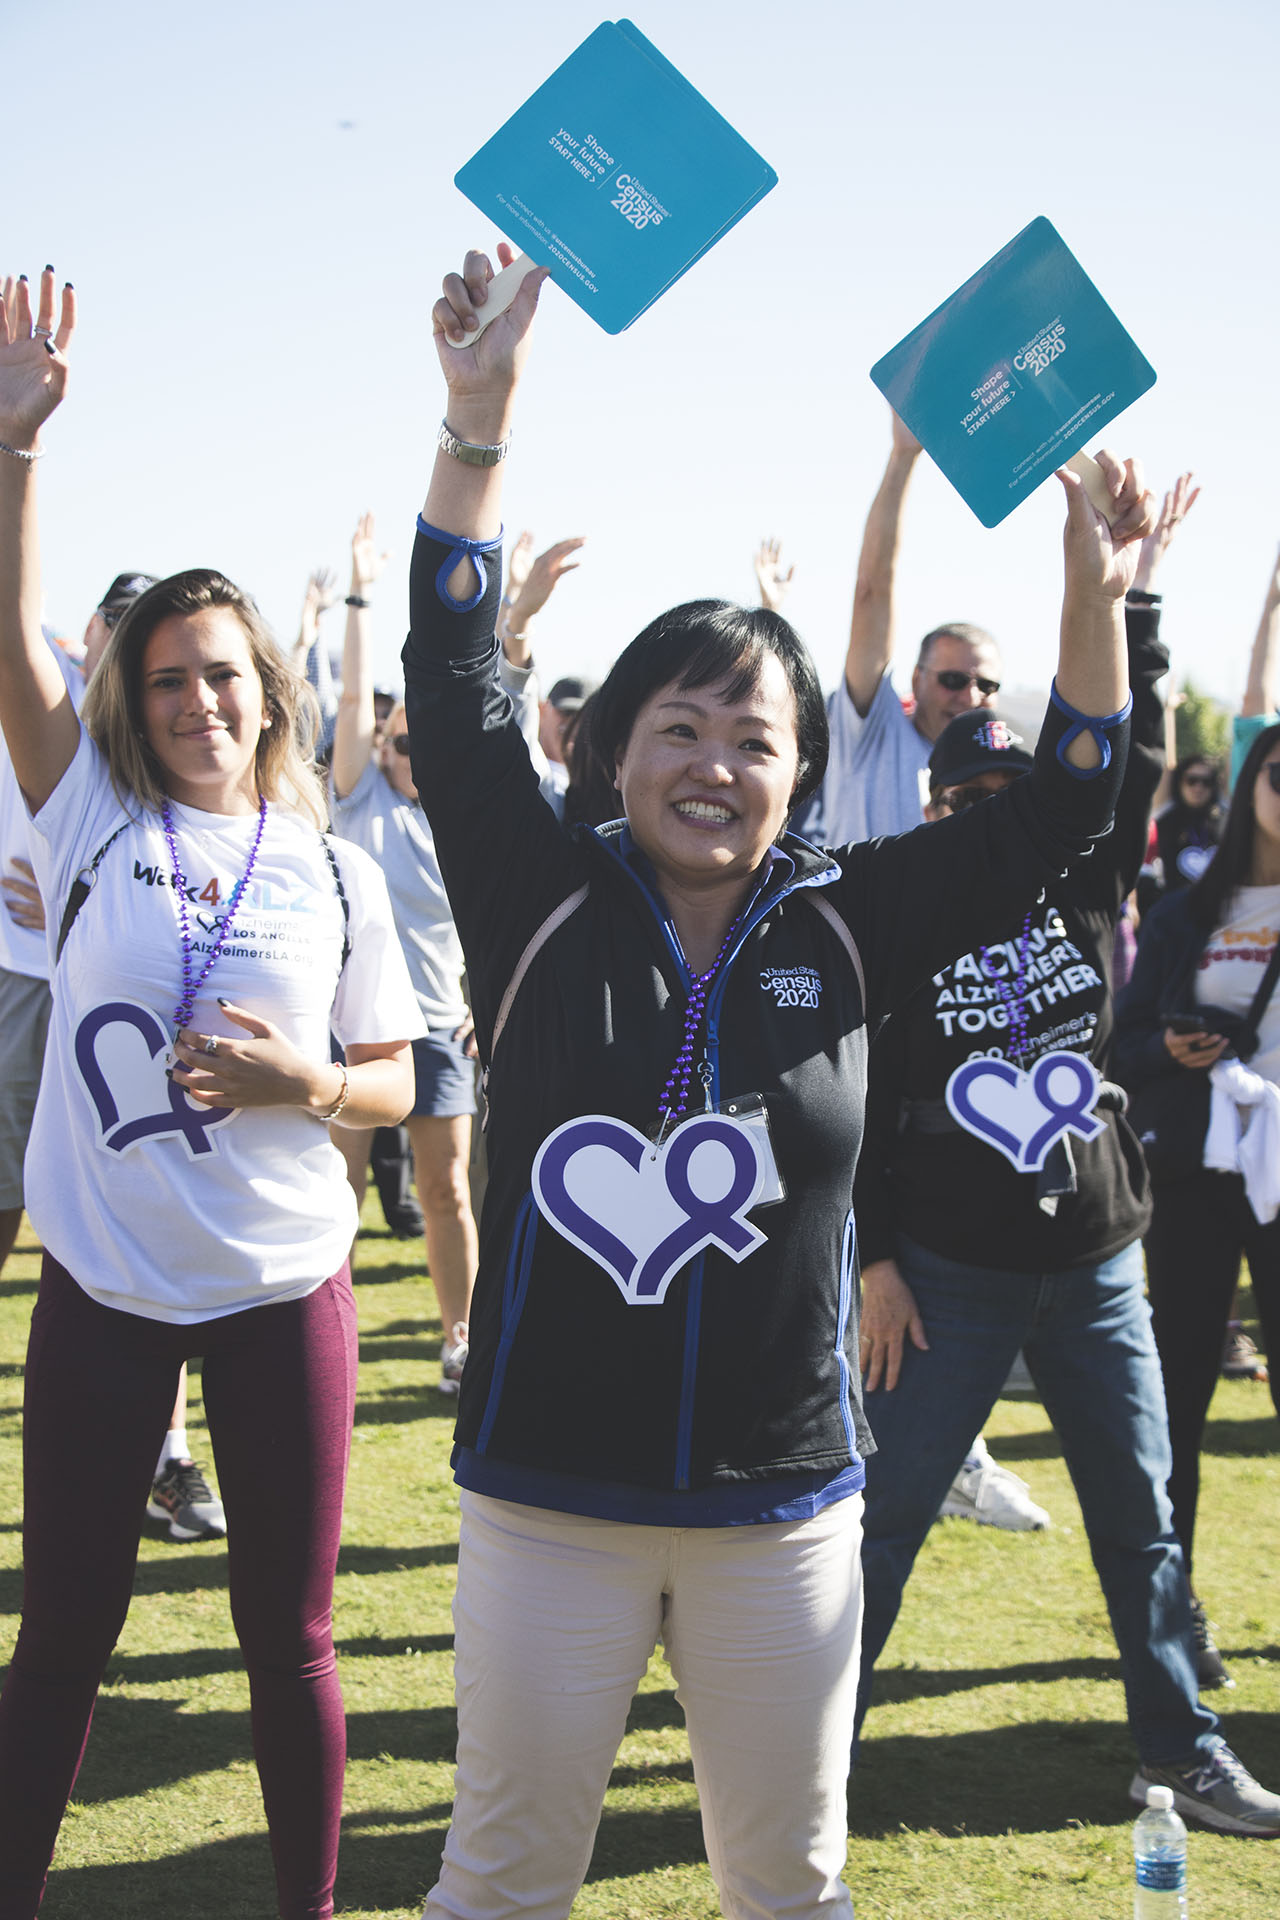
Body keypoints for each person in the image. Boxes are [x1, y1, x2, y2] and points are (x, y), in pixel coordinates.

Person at [403, 244, 1147, 1920]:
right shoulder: (541, 892)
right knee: (504, 1880)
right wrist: (477, 421)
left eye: (755, 739)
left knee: (790, 1886)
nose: (714, 767)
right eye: (679, 726)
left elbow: (1071, 810)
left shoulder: (854, 918)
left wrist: (1094, 584)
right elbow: (450, 698)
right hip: (547, 1503)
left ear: (805, 771)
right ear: (615, 750)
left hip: (789, 1511)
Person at [0, 267, 422, 1920]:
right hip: (104, 1293)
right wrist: (18, 448)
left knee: (291, 1634)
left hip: (281, 1291)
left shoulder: (334, 869)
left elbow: (392, 1082)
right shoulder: (85, 817)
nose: (197, 702)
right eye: (168, 678)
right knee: (63, 1628)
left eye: (223, 675)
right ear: (135, 697)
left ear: (271, 689)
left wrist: (301, 1078)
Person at [850, 536, 1280, 1829]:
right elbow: (853, 1092)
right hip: (946, 1277)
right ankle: (798, 1737)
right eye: (957, 801)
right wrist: (873, 1257)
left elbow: (1127, 747)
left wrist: (1127, 600)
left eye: (1002, 796)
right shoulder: (905, 906)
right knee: (888, 1520)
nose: (980, 818)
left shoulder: (1085, 878)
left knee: (1141, 1522)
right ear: (932, 812)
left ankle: (1181, 1746)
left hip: (1099, 1262)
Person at [1114, 720, 1280, 1691]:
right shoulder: (1182, 913)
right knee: (1177, 1399)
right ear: (1251, 782)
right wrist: (1170, 1049)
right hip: (1193, 1181)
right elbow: (1123, 1043)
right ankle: (1175, 1612)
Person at [327, 511, 480, 1393]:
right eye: (400, 740)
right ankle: (323, 1325)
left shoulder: (458, 820)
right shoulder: (357, 801)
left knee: (448, 1187)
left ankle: (460, 1340)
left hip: (436, 1028)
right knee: (340, 1183)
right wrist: (360, 595)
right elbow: (351, 698)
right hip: (354, 1029)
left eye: (428, 743)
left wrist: (476, 997)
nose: (411, 754)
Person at [790, 408, 1003, 848]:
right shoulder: (872, 732)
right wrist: (904, 455)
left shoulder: (1000, 775)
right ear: (916, 680)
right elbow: (872, 591)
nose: (970, 696)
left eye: (987, 683)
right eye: (952, 680)